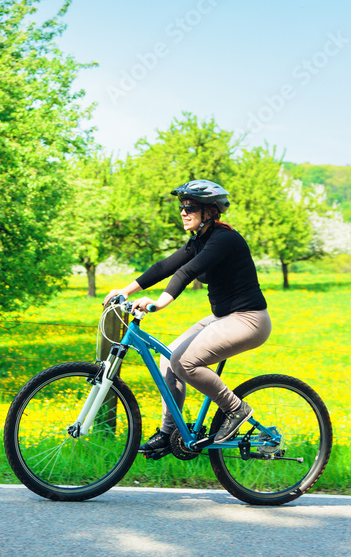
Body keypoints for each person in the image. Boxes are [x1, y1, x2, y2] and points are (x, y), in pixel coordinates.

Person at [102, 179, 271, 452]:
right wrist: (126, 290)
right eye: (182, 206)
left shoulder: (224, 239)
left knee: (185, 362)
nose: (183, 211)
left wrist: (158, 304)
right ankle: (170, 434)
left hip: (249, 320)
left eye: (190, 206)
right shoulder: (199, 241)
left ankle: (236, 410)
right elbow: (164, 267)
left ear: (210, 211)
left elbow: (186, 273)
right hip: (225, 318)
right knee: (169, 358)